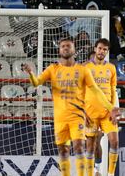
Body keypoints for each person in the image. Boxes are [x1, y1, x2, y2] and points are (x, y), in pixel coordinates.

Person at [23, 38, 119, 176]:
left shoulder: (83, 70)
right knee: (64, 150)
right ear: (59, 49)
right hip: (62, 117)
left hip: (78, 116)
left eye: (69, 46)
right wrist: (31, 73)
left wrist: (111, 108)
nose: (66, 48)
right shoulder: (53, 69)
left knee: (80, 147)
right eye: (63, 46)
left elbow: (97, 91)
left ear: (74, 50)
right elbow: (36, 83)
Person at [84, 38, 119, 176]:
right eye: (100, 48)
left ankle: (110, 174)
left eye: (105, 49)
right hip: (90, 112)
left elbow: (113, 89)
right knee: (90, 144)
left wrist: (114, 110)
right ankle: (93, 172)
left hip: (107, 113)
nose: (102, 51)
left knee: (114, 141)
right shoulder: (86, 67)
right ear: (95, 49)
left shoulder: (111, 68)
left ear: (107, 51)